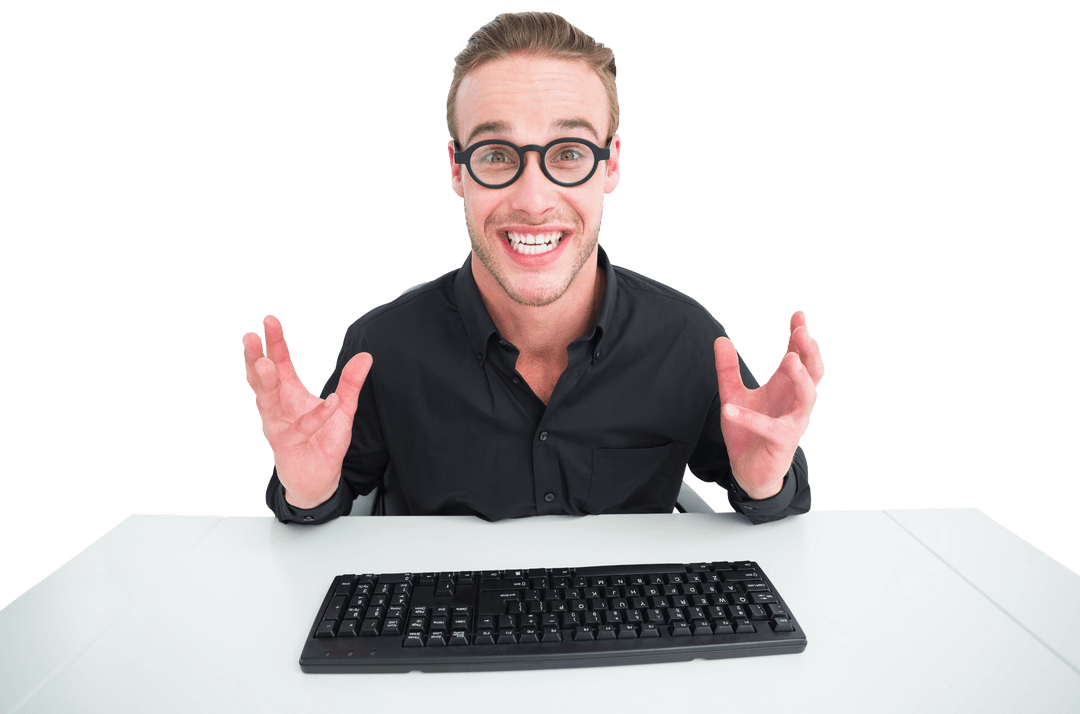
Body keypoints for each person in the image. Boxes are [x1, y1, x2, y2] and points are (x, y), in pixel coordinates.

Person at [242, 11, 824, 525]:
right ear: (456, 169)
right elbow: (325, 496)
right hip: (439, 637)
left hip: (627, 637)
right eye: (496, 156)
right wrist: (311, 491)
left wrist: (763, 481)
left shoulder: (688, 341)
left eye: (568, 153)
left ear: (611, 164)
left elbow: (765, 484)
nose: (533, 199)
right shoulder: (381, 349)